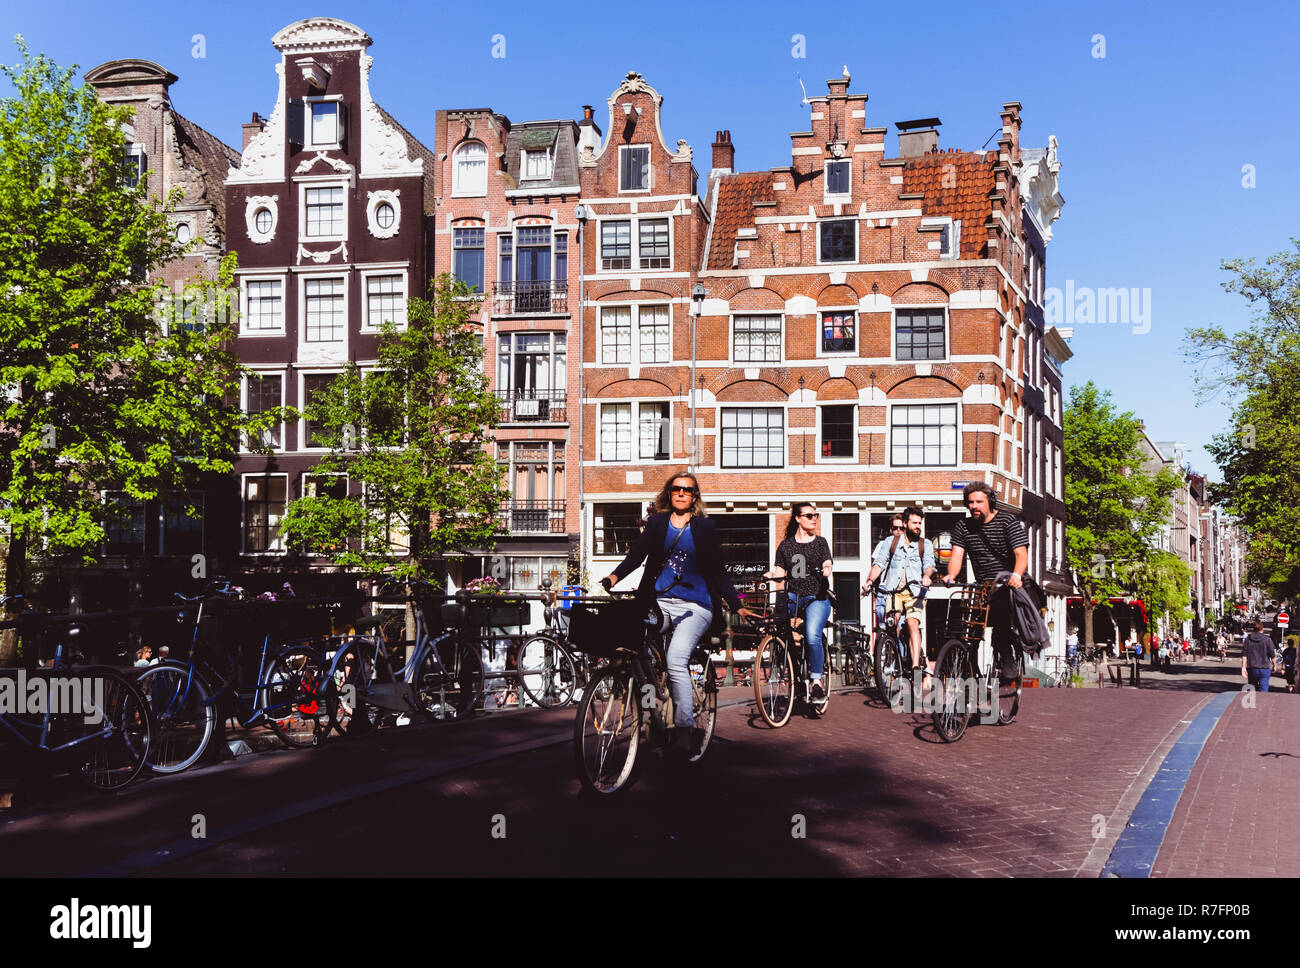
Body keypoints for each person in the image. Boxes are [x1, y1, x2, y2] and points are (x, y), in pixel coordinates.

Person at [603, 471, 757, 753]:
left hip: (696, 606)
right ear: (669, 493)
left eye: (687, 490)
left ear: (695, 496)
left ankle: (684, 728)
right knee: (635, 646)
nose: (682, 493)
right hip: (660, 602)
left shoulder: (705, 527)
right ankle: (652, 709)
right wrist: (613, 577)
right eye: (677, 489)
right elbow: (637, 555)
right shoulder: (657, 523)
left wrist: (737, 605)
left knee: (675, 659)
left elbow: (718, 570)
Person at [942, 481, 1029, 682]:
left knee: (1000, 615)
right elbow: (956, 556)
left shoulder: (1007, 521)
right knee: (967, 626)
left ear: (990, 502)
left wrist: (1016, 576)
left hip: (1007, 582)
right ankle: (970, 668)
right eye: (970, 502)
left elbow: (1021, 554)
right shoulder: (963, 526)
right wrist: (951, 575)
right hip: (982, 585)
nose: (974, 506)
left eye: (979, 502)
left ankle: (1006, 656)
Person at [764, 502, 834, 705]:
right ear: (797, 518)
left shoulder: (820, 542)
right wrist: (771, 575)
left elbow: (827, 562)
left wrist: (827, 569)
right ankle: (794, 672)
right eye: (809, 515)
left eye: (815, 515)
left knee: (812, 635)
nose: (814, 519)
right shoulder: (786, 546)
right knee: (780, 631)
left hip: (816, 597)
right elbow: (780, 573)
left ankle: (816, 682)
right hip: (793, 597)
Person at [862, 506, 935, 680]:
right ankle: (893, 657)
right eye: (914, 523)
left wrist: (926, 577)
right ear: (905, 523)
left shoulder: (925, 544)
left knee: (912, 623)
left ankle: (915, 665)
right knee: (891, 624)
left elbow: (929, 565)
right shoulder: (891, 542)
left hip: (915, 592)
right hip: (894, 591)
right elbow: (879, 564)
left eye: (920, 523)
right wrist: (869, 581)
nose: (918, 526)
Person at [1241, 620, 1276, 693]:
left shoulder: (1248, 640)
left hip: (1252, 668)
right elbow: (1272, 655)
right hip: (1264, 669)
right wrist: (1274, 665)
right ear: (1262, 629)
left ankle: (1253, 699)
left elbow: (1244, 655)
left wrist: (1243, 667)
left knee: (1252, 690)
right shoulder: (1267, 640)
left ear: (1253, 629)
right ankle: (1262, 699)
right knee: (1263, 691)